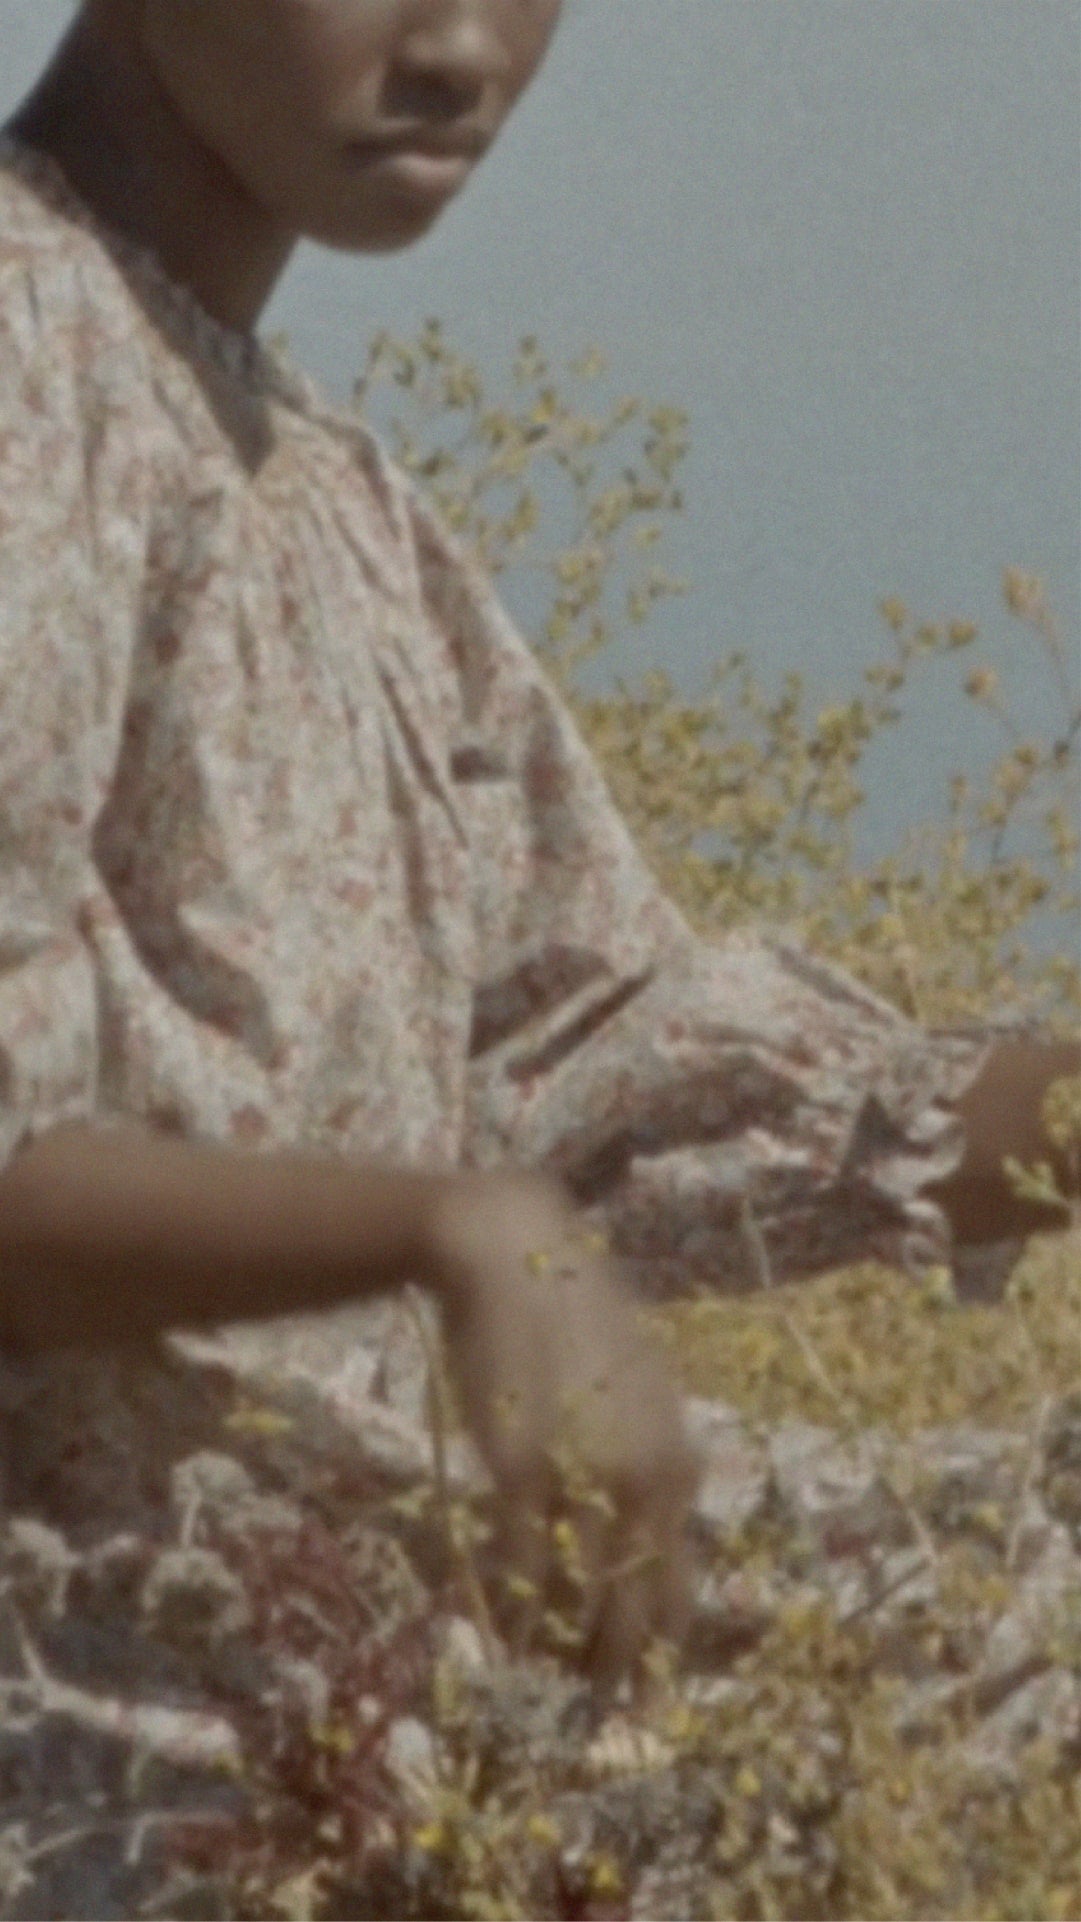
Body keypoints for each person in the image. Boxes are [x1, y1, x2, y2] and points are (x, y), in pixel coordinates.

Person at [0, 1, 1075, 1907]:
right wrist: (459, 1231)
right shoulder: (25, 359)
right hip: (112, 1736)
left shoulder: (323, 491)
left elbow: (604, 1064)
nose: (459, 42)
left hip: (374, 1662)